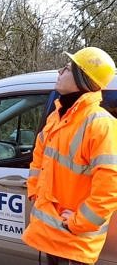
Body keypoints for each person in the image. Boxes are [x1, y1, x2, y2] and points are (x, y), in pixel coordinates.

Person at [22, 47, 117, 265]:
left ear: (81, 77)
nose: (59, 71)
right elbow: (40, 159)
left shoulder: (100, 124)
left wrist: (78, 222)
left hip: (74, 241)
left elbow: (110, 187)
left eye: (66, 68)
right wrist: (35, 193)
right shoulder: (58, 116)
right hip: (52, 234)